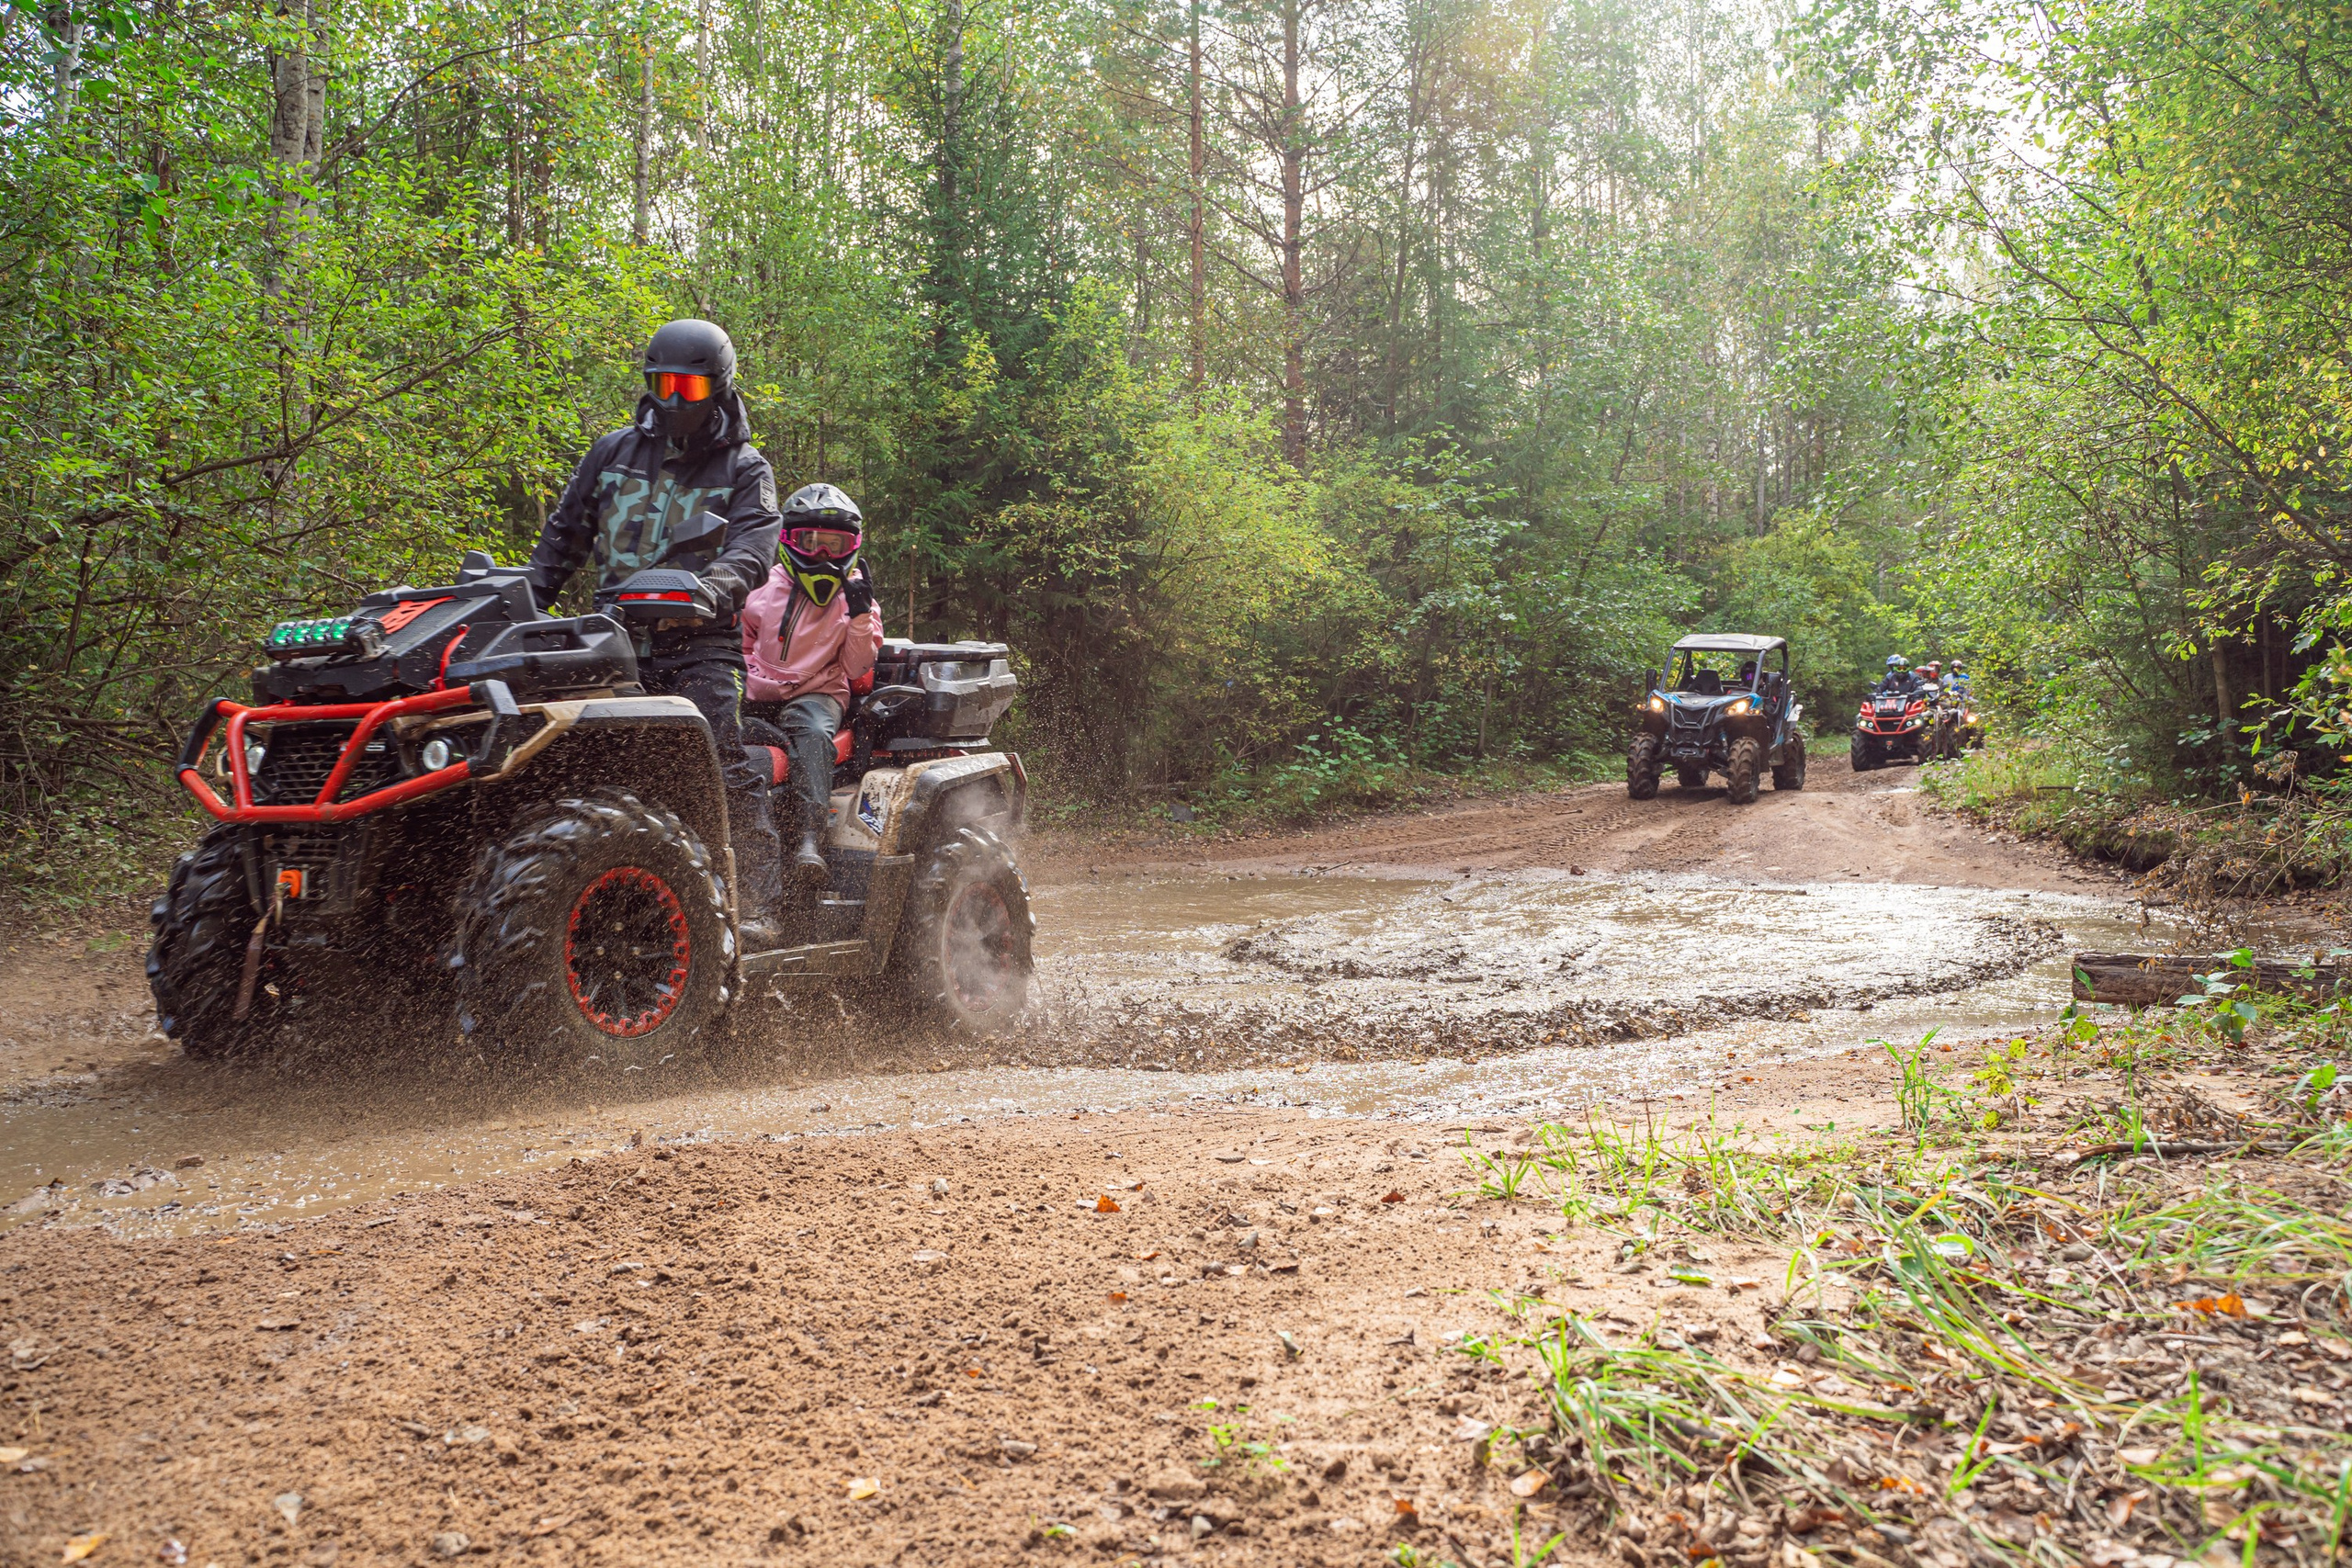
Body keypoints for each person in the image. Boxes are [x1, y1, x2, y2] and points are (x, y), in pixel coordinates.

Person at [522, 318, 787, 942]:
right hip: (609, 642)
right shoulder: (611, 454)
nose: (673, 399)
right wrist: (523, 606)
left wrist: (711, 587)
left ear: (718, 388)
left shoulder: (745, 469)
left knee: (718, 759)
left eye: (687, 388)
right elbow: (562, 540)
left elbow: (753, 550)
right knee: (558, 763)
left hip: (700, 645)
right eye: (661, 384)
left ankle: (756, 904)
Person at [741, 484, 885, 889]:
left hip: (819, 694)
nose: (822, 553)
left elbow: (857, 667)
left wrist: (860, 616)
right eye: (811, 541)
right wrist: (757, 679)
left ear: (851, 546)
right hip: (757, 696)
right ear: (790, 540)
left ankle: (810, 838)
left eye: (833, 545)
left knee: (811, 734)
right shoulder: (761, 587)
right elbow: (741, 646)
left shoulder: (857, 596)